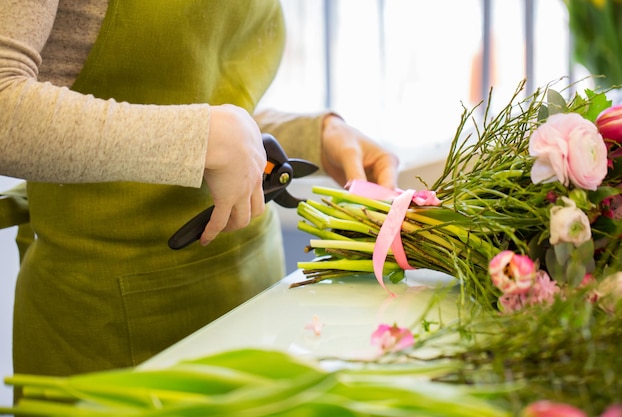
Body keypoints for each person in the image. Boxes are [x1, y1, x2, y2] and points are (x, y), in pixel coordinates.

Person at [0, 0, 399, 381]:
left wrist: (311, 134)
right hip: (107, 322)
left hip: (251, 285)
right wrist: (200, 139)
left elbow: (197, 92)